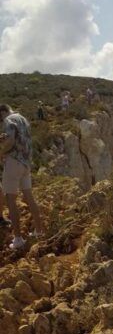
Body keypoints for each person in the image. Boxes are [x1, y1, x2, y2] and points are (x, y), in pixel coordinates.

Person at [0, 104, 44, 250]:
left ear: (3, 111)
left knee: (10, 199)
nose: (1, 120)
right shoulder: (23, 119)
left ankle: (18, 239)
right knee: (29, 197)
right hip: (26, 163)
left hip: (14, 163)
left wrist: (2, 153)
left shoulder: (9, 120)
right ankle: (39, 231)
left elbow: (11, 140)